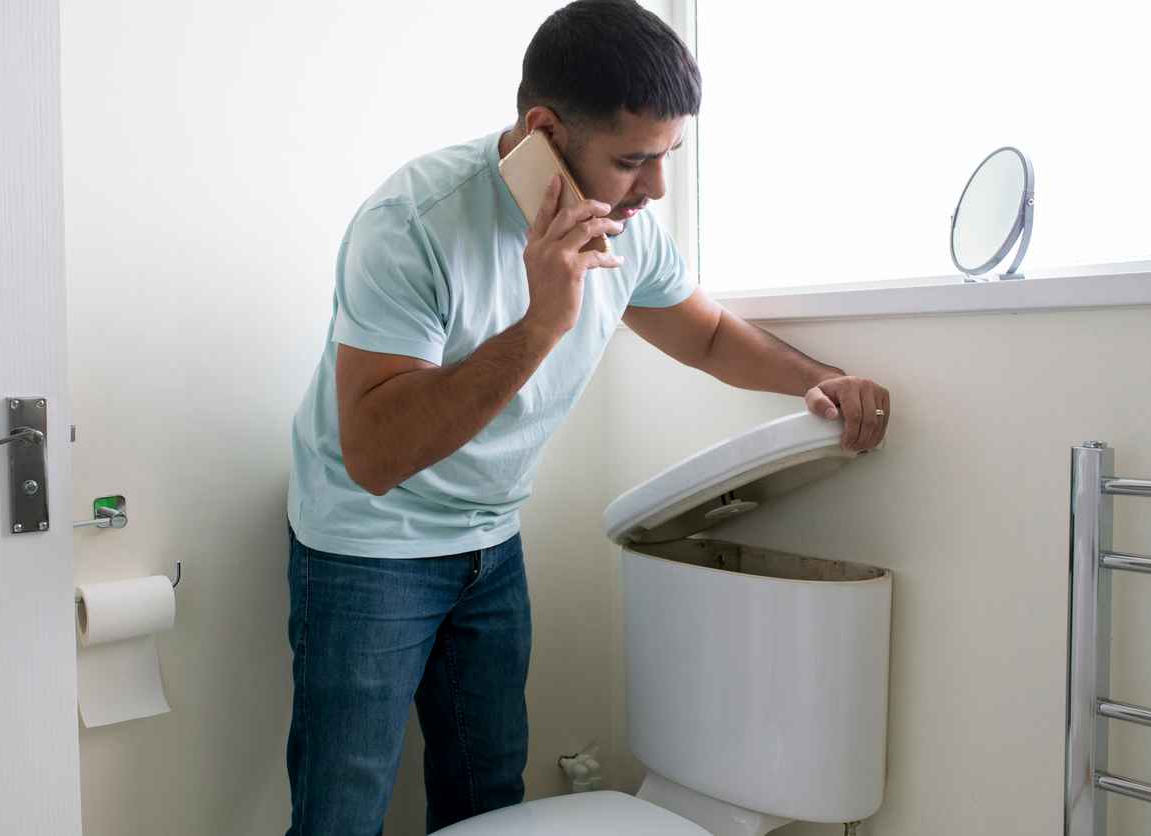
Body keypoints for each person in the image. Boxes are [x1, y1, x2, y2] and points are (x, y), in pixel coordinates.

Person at [284, 1, 891, 833]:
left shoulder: (626, 225)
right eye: (634, 160)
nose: (657, 188)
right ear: (545, 130)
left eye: (670, 156)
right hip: (369, 546)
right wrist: (542, 322)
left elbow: (708, 336)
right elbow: (376, 454)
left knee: (488, 794)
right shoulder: (414, 225)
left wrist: (824, 380)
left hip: (491, 542)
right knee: (341, 812)